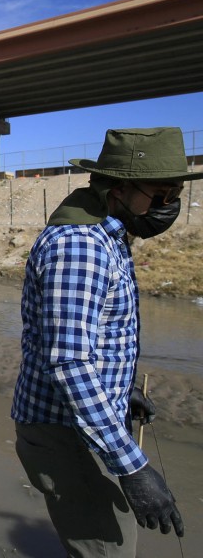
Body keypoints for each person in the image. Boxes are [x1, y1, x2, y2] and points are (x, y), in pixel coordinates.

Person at [11, 127, 200, 557]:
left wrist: (122, 390)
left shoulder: (110, 236)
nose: (169, 206)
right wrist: (134, 468)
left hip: (89, 424)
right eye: (160, 194)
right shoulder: (81, 246)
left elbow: (92, 338)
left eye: (175, 194)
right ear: (119, 189)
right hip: (69, 433)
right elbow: (71, 363)